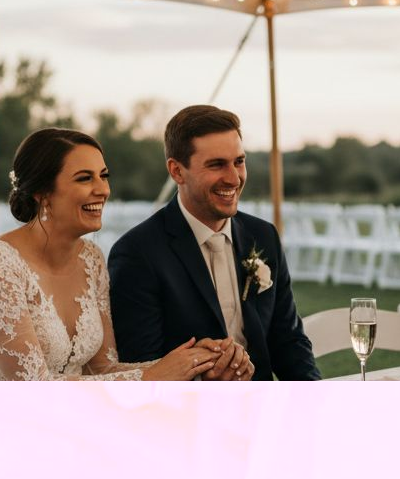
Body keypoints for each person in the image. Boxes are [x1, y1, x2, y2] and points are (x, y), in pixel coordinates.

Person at [0, 128, 226, 381]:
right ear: (42, 193)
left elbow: (102, 369)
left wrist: (195, 362)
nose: (103, 189)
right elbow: (33, 386)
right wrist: (150, 377)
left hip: (73, 418)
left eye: (104, 176)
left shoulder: (92, 259)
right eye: (85, 178)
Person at [109, 105, 320, 380]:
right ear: (177, 171)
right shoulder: (137, 253)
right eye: (216, 164)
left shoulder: (264, 236)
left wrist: (316, 402)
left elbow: (289, 341)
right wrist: (201, 365)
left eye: (239, 161)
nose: (234, 178)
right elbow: (140, 366)